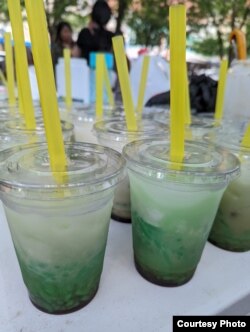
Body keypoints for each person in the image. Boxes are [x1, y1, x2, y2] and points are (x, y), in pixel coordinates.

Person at [74, 1, 115, 65]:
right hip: (106, 73)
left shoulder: (84, 34)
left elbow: (75, 55)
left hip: (85, 72)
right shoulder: (111, 36)